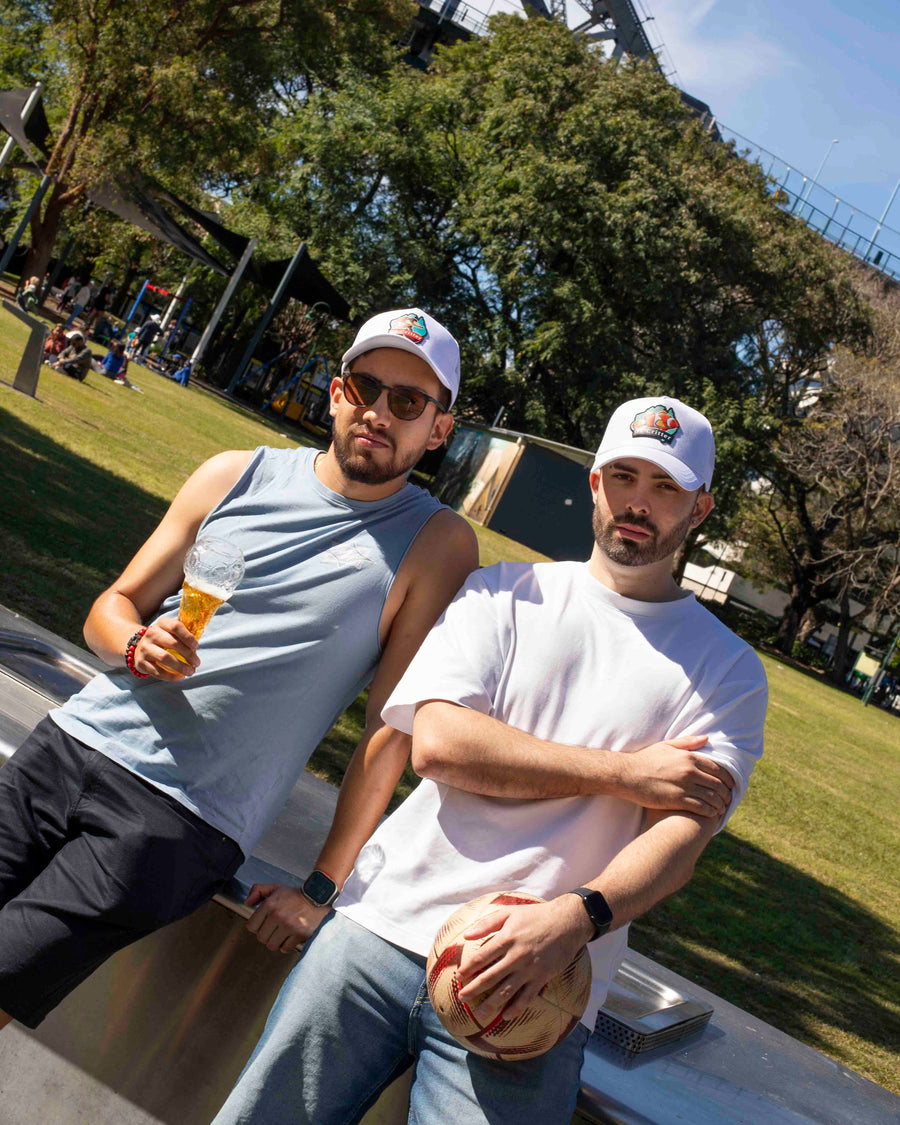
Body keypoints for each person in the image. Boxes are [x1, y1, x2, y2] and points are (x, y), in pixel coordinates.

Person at [212, 395, 768, 1125]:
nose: (640, 502)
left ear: (700, 508)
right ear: (595, 483)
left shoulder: (727, 670)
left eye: (666, 486)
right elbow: (440, 745)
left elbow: (679, 840)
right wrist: (627, 773)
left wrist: (576, 918)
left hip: (538, 989)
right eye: (626, 476)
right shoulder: (506, 592)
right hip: (380, 934)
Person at [0, 308, 479, 1036]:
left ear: (438, 428)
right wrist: (135, 646)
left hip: (175, 820)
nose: (379, 412)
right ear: (335, 392)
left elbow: (389, 733)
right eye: (365, 387)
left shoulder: (436, 542)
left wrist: (323, 886)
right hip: (69, 745)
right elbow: (111, 607)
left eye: (408, 402)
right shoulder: (235, 472)